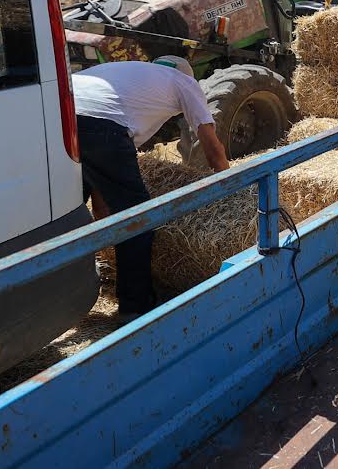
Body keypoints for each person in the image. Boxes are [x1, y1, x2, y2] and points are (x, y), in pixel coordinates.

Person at [74, 56, 230, 317]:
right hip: (100, 123)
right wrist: (235, 190)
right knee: (138, 222)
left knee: (67, 213)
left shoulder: (131, 78)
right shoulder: (184, 81)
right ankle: (135, 308)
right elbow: (213, 149)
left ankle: (62, 296)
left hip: (60, 116)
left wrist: (103, 213)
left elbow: (103, 173)